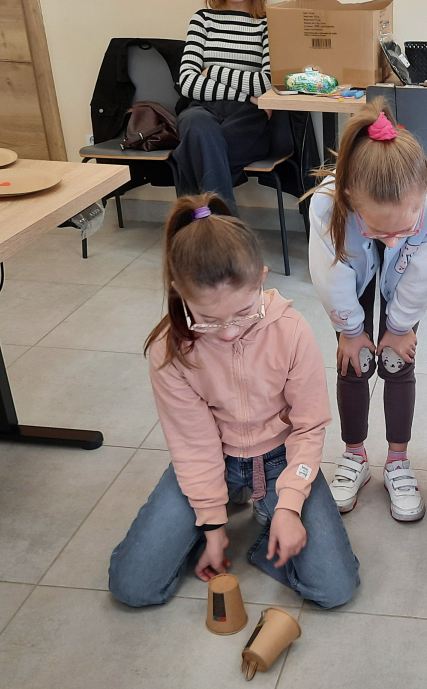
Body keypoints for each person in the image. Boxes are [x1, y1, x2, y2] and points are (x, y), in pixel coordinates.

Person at [109, 194, 360, 610]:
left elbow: (309, 427)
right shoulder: (170, 350)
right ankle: (227, 511)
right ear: (179, 292)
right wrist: (211, 528)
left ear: (261, 278)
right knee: (132, 587)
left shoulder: (292, 331)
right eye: (208, 319)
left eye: (243, 312)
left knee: (334, 589)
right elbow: (194, 445)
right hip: (214, 459)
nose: (227, 333)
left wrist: (290, 505)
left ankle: (266, 517)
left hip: (282, 458)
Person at [305, 100, 427, 523]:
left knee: (395, 360)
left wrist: (400, 326)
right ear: (350, 200)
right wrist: (351, 332)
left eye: (403, 229)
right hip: (350, 272)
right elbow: (330, 277)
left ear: (423, 196)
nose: (390, 240)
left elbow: (425, 276)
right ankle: (354, 455)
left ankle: (397, 461)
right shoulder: (329, 204)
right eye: (379, 230)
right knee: (354, 362)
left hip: (406, 278)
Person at [171, 0, 273, 213]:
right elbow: (188, 83)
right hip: (204, 108)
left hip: (247, 116)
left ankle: (199, 224)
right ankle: (224, 223)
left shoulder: (267, 24)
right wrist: (246, 96)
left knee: (195, 149)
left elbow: (266, 83)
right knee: (196, 125)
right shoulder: (203, 19)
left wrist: (213, 71)